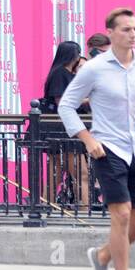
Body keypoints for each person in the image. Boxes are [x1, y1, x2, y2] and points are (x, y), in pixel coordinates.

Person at [59, 7, 135, 270]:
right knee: (122, 215)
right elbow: (66, 104)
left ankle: (103, 256)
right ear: (110, 32)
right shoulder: (94, 68)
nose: (132, 35)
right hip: (108, 149)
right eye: (125, 29)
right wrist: (86, 138)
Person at [37, 41, 86, 204]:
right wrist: (88, 100)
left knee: (56, 172)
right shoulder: (60, 73)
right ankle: (86, 212)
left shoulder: (62, 73)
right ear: (74, 56)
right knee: (81, 173)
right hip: (64, 129)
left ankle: (45, 206)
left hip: (62, 128)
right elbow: (62, 101)